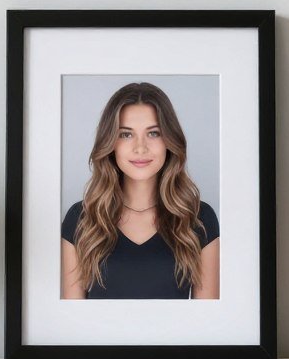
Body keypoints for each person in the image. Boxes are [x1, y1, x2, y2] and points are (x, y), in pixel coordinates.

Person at [61, 82, 220, 300]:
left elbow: (208, 322)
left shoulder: (199, 218)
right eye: (126, 134)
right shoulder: (81, 219)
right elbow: (71, 322)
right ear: (111, 143)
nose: (140, 147)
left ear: (169, 141)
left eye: (153, 133)